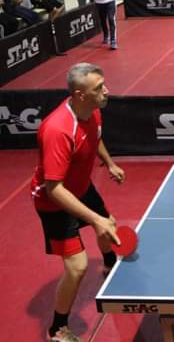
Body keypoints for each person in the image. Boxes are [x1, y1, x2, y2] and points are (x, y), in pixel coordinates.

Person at [31, 63, 125, 342]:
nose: (106, 91)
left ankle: (110, 264)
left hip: (81, 187)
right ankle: (57, 329)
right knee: (78, 266)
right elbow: (54, 189)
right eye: (98, 88)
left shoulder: (92, 109)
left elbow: (95, 137)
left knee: (109, 225)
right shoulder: (57, 130)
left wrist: (109, 163)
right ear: (79, 94)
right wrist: (95, 219)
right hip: (54, 201)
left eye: (103, 84)